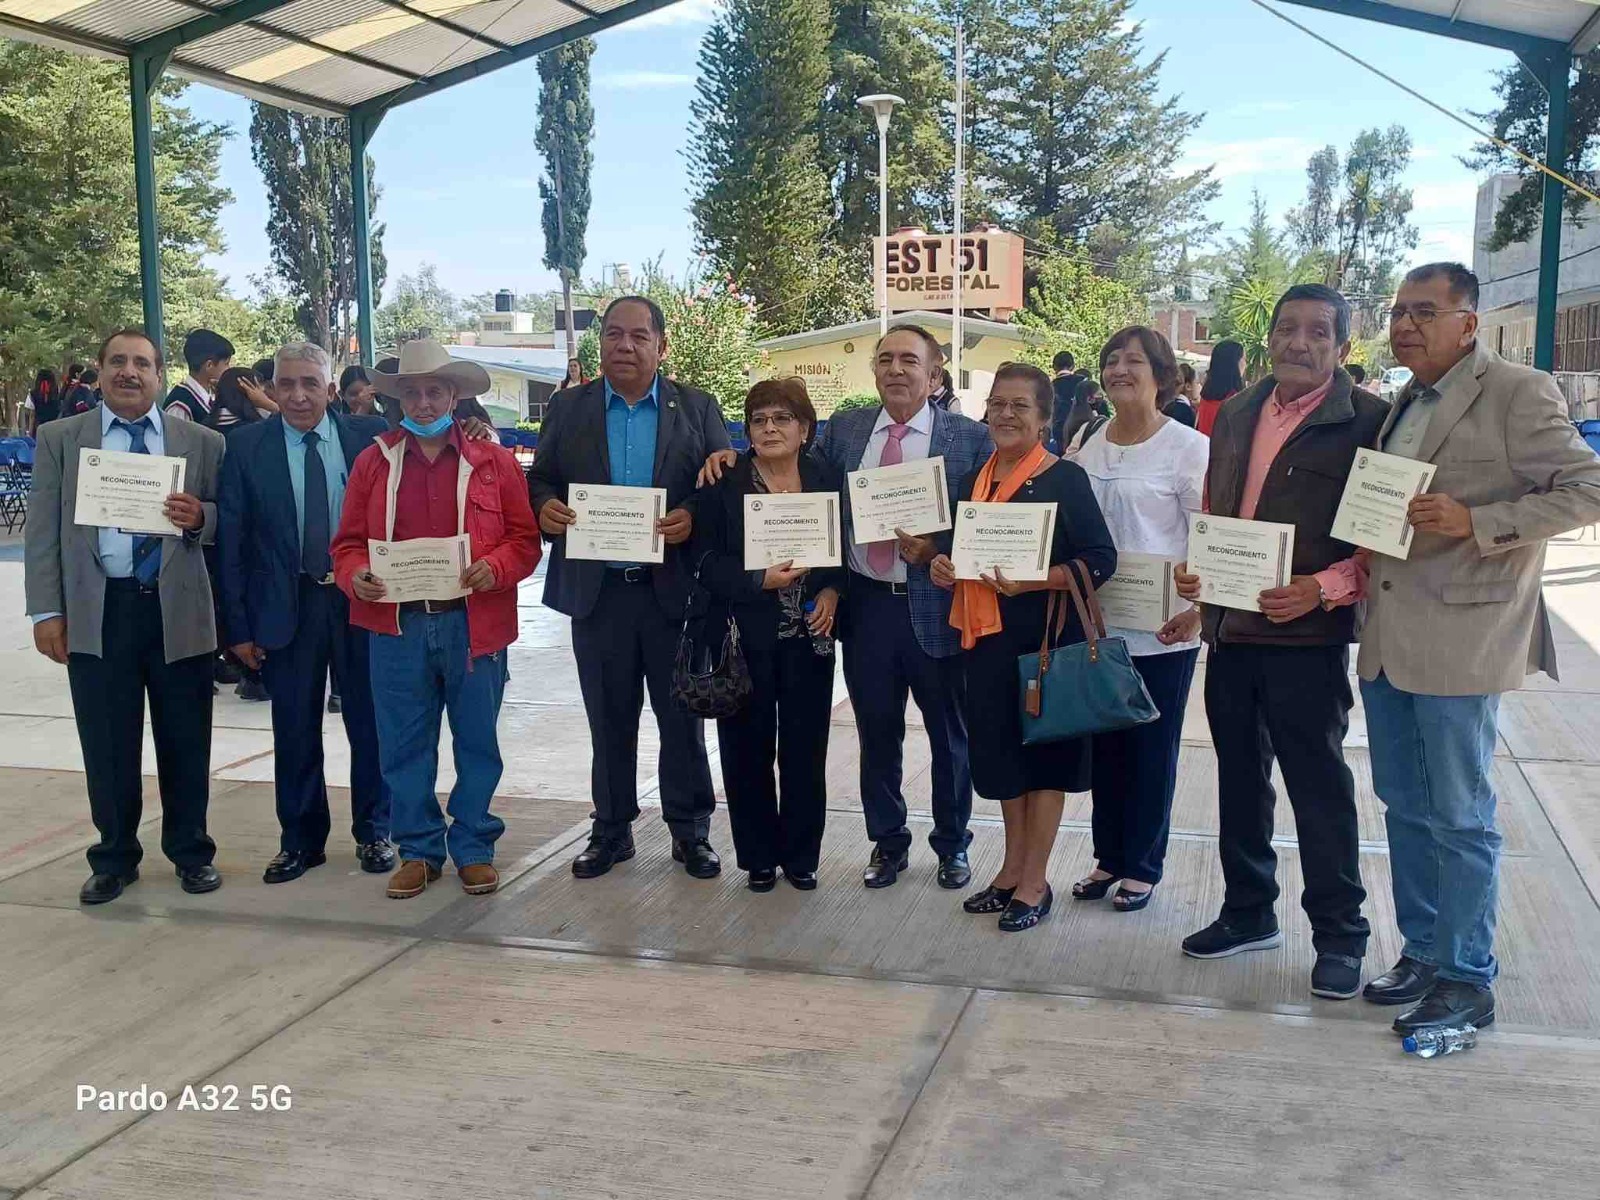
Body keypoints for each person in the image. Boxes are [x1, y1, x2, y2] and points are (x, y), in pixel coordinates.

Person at [1357, 263, 1600, 1036]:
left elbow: (1587, 487)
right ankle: (1423, 950)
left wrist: (1477, 522)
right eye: (1398, 312)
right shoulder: (1404, 400)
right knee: (1404, 805)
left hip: (1464, 634)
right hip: (1389, 635)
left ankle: (1468, 976)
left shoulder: (1518, 390)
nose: (1405, 325)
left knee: (1460, 815)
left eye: (1423, 312)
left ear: (1470, 321)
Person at [704, 324, 993, 890]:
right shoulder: (846, 430)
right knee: (877, 734)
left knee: (949, 735)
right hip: (867, 608)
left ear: (934, 373)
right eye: (885, 359)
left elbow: (984, 517)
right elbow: (785, 459)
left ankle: (953, 844)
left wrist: (940, 548)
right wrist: (727, 454)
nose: (895, 369)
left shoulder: (968, 438)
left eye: (909, 360)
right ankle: (887, 843)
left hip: (934, 603)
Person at [1174, 284, 1387, 1001]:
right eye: (1287, 327)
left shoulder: (1368, 421)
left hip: (1306, 639)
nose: (1300, 342)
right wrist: (1199, 568)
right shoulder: (1234, 413)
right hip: (1231, 633)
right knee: (1240, 780)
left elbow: (1380, 542)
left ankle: (1340, 936)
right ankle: (1247, 911)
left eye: (1318, 332)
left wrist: (1321, 590)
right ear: (1268, 336)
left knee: (1318, 787)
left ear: (1343, 348)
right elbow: (1218, 510)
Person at [530, 296, 731, 880]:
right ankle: (611, 831)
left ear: (661, 346)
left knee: (681, 722)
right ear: (601, 344)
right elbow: (540, 476)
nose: (624, 345)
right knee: (609, 719)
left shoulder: (696, 407)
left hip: (672, 595)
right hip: (599, 597)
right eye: (614, 335)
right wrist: (543, 505)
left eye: (639, 336)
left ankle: (690, 833)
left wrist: (694, 514)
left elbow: (722, 485)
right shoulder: (568, 408)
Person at [333, 338, 541, 899]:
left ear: (454, 395)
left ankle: (473, 844)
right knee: (403, 744)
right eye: (412, 393)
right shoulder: (373, 462)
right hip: (396, 625)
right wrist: (355, 575)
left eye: (435, 391)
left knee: (477, 741)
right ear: (397, 399)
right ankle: (420, 850)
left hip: (473, 626)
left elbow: (526, 541)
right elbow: (348, 543)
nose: (424, 403)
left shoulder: (493, 463)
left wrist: (494, 567)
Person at [24, 329, 225, 904]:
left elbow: (225, 521)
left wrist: (199, 517)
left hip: (176, 609)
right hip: (98, 609)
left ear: (159, 375)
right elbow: (41, 535)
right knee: (107, 741)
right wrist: (46, 612)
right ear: (101, 370)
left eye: (141, 363)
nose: (129, 372)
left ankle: (191, 851)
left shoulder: (201, 442)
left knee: (186, 738)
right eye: (118, 362)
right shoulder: (63, 439)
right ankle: (114, 857)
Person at [925, 363, 1117, 931]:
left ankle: (1036, 882)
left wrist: (1037, 579)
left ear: (1044, 419)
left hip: (1046, 646)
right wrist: (943, 565)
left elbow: (1099, 559)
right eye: (998, 404)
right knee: (1005, 764)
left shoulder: (1065, 479)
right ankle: (1010, 872)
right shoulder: (972, 483)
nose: (1006, 415)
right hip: (985, 644)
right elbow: (963, 554)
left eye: (1020, 407)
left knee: (1046, 766)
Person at [219, 343, 396, 885]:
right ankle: (300, 840)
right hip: (286, 605)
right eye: (286, 384)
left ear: (330, 390)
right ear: (272, 389)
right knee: (294, 727)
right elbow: (233, 543)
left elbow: (431, 438)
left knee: (371, 724)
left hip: (360, 599)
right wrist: (238, 628)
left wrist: (476, 432)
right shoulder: (246, 448)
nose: (297, 395)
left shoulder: (371, 439)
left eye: (309, 384)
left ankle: (375, 831)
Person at [1070, 328, 1208, 912]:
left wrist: (1199, 610)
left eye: (1133, 360)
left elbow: (1206, 534)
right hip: (1097, 622)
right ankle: (1108, 856)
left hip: (1162, 626)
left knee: (1152, 748)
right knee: (1106, 748)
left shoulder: (1187, 447)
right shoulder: (1086, 439)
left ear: (1161, 373)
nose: (1119, 369)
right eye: (1111, 360)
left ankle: (1143, 865)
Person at [691, 377, 844, 892]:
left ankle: (801, 857)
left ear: (804, 428)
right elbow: (705, 561)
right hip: (743, 637)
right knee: (745, 748)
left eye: (782, 418)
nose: (770, 427)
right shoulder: (725, 480)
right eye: (759, 419)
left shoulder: (827, 477)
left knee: (806, 749)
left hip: (810, 636)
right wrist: (756, 579)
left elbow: (844, 554)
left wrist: (832, 593)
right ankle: (757, 856)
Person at [163, 329, 234, 423]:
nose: (229, 369)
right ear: (209, 365)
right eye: (226, 364)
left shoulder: (209, 397)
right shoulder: (181, 406)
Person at [1196, 339, 1246, 437]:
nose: (1245, 364)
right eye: (1244, 359)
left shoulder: (1205, 397)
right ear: (1235, 363)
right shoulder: (1236, 401)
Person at [1048, 351, 1083, 451]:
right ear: (1073, 366)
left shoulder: (1049, 386)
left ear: (1054, 367)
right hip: (1080, 429)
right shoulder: (1082, 382)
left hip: (1058, 432)